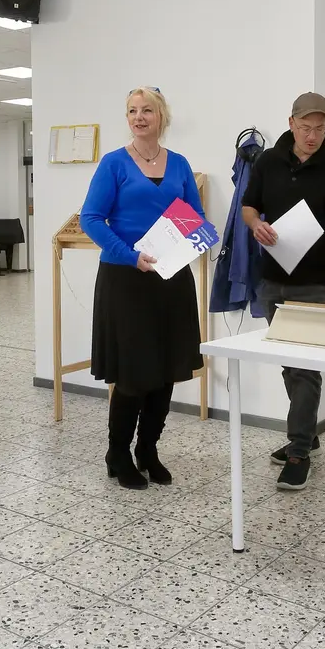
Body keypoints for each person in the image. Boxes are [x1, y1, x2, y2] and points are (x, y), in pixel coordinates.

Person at [79, 87, 205, 489]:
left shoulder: (181, 164)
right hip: (126, 279)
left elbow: (195, 218)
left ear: (161, 116)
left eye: (146, 110)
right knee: (134, 374)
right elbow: (92, 219)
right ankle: (117, 453)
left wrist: (188, 242)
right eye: (132, 110)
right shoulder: (114, 164)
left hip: (170, 279)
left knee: (165, 371)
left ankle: (147, 450)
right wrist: (130, 254)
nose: (138, 117)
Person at [241, 93, 325, 490]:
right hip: (272, 278)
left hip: (314, 282)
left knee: (307, 367)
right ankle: (307, 432)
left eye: (321, 127)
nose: (313, 135)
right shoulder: (267, 161)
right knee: (288, 362)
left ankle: (297, 452)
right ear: (291, 123)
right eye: (306, 127)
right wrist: (254, 224)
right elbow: (247, 205)